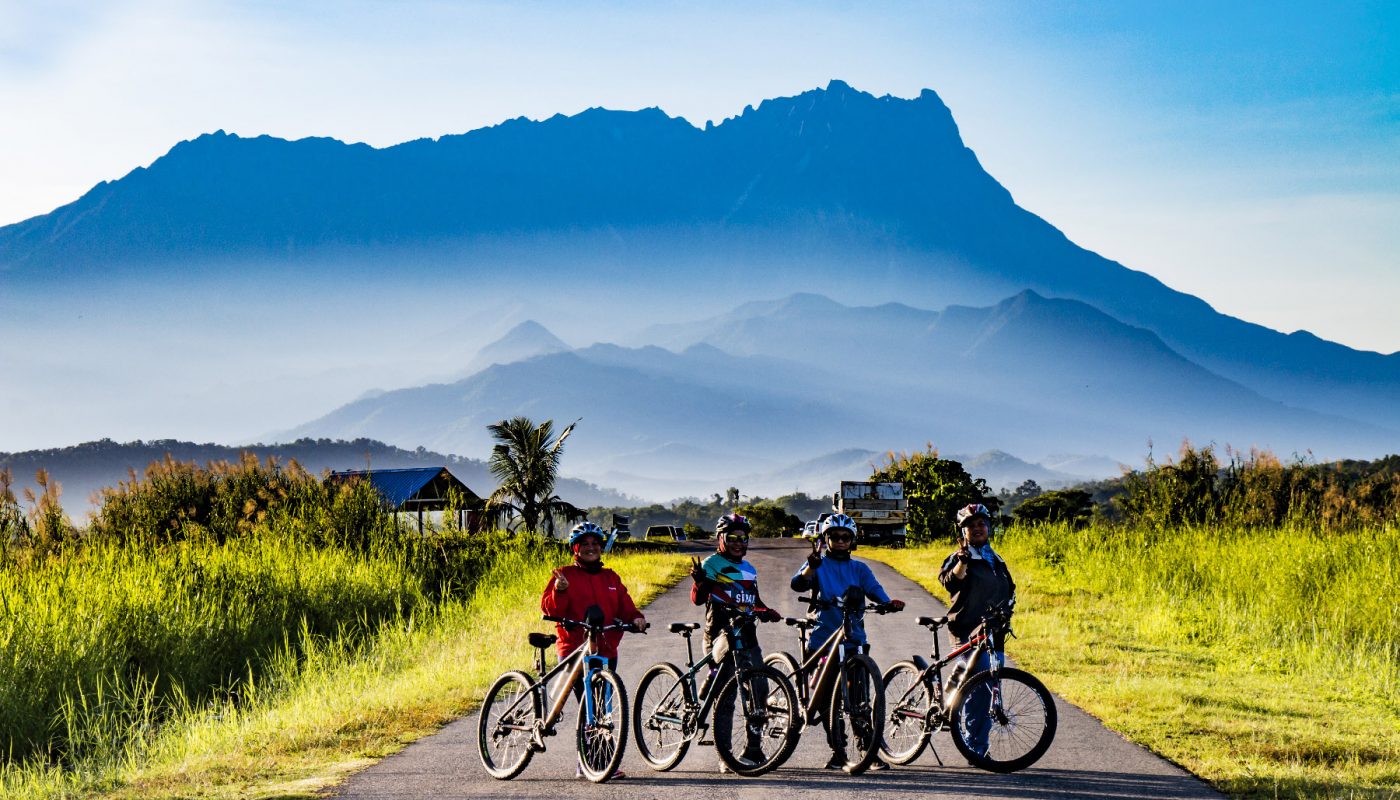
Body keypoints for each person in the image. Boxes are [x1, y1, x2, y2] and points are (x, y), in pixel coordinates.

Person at [790, 513, 905, 770]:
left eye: (845, 537)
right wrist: (810, 565)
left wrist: (888, 603)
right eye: (834, 537)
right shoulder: (818, 564)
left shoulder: (860, 569)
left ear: (852, 540)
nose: (840, 541)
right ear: (826, 539)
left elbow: (876, 591)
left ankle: (866, 749)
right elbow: (797, 584)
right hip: (822, 639)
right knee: (824, 698)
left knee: (859, 699)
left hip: (853, 640)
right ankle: (838, 750)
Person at [541, 521, 649, 778]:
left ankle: (595, 762)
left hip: (605, 649)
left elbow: (626, 607)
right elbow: (550, 610)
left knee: (603, 707)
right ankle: (593, 762)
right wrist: (560, 591)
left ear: (601, 548)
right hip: (574, 648)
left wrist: (636, 618)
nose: (590, 548)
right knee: (589, 704)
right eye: (584, 545)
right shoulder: (564, 575)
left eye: (595, 544)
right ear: (575, 549)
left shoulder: (611, 577)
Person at [689, 513, 782, 770]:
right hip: (719, 635)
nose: (738, 543)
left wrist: (767, 611)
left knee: (760, 690)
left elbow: (754, 602)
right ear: (721, 538)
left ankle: (753, 750)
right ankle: (725, 756)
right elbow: (698, 599)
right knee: (727, 697)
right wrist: (699, 581)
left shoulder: (750, 569)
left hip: (747, 636)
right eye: (732, 538)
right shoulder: (711, 564)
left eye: (743, 538)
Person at [937, 503, 1015, 758]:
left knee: (990, 687)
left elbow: (1008, 588)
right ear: (963, 532)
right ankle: (975, 748)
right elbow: (950, 582)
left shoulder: (996, 559)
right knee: (980, 688)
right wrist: (961, 562)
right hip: (967, 631)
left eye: (981, 523)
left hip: (993, 634)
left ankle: (952, 695)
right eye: (971, 525)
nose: (978, 528)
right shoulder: (961, 557)